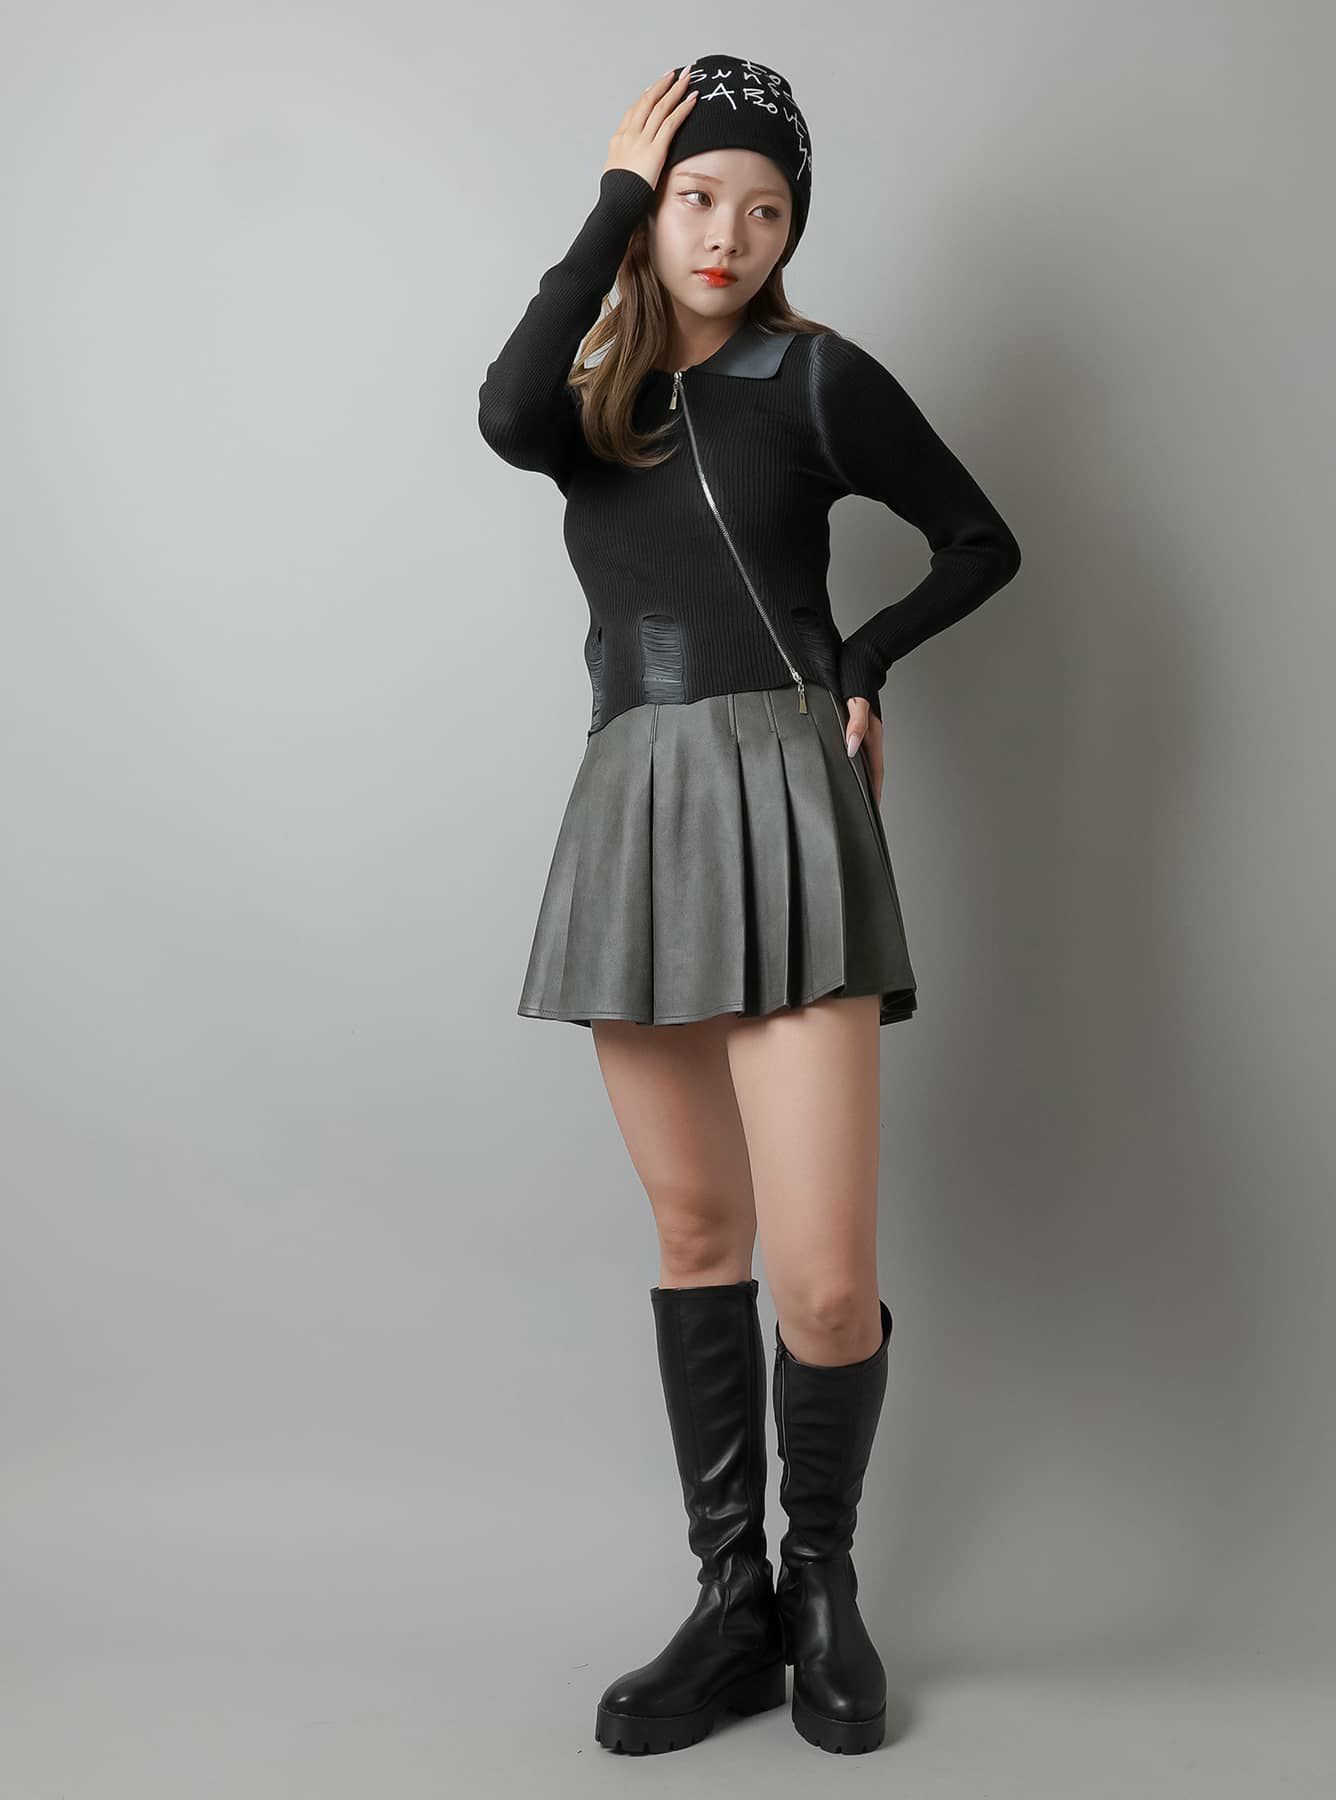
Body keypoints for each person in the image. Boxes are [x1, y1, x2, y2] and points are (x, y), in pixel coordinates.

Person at [478, 55, 1021, 1757]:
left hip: (788, 799)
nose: (729, 234)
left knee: (825, 1280)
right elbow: (502, 409)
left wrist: (862, 664)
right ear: (656, 207)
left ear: (793, 232)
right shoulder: (592, 401)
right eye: (700, 197)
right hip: (634, 810)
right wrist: (612, 201)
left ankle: (821, 1584)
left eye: (766, 209)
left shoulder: (817, 376)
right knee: (698, 1239)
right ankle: (731, 1605)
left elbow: (979, 538)